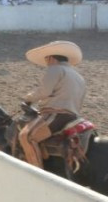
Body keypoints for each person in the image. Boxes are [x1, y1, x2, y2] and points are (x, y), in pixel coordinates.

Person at [18, 40, 87, 170]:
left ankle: (37, 172)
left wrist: (27, 98)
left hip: (56, 115)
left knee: (25, 136)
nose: (47, 63)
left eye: (47, 60)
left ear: (51, 58)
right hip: (74, 117)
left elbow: (44, 91)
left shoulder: (55, 69)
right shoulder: (79, 77)